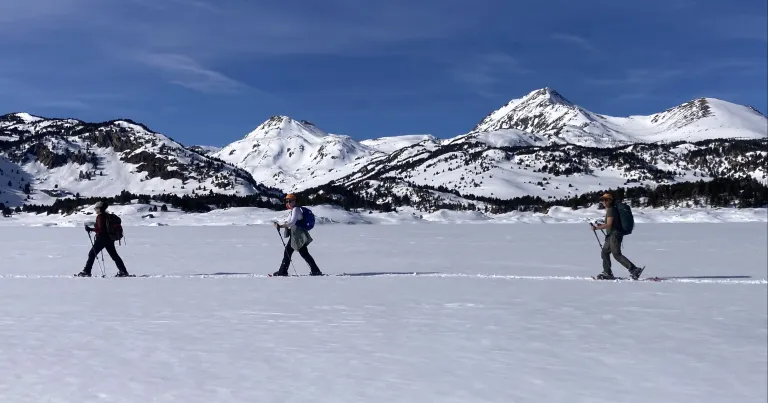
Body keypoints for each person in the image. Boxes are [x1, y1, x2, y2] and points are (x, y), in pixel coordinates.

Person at [591, 193, 643, 280]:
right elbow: (610, 224)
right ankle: (607, 272)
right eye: (602, 200)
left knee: (616, 254)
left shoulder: (611, 210)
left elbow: (609, 224)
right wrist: (600, 226)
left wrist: (597, 227)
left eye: (605, 200)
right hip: (611, 235)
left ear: (610, 200)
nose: (603, 202)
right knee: (604, 252)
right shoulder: (610, 210)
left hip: (615, 235)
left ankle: (634, 269)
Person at [272, 194, 323, 277]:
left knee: (303, 253)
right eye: (287, 201)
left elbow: (291, 223)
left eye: (290, 201)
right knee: (289, 252)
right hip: (295, 234)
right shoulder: (293, 211)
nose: (288, 203)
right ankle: (283, 271)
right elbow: (287, 221)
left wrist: (280, 226)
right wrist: (279, 224)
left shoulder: (296, 209)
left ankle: (315, 271)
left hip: (298, 235)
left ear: (294, 201)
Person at [76, 201, 131, 277]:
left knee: (92, 254)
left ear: (99, 208)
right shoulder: (107, 216)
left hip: (102, 238)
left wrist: (91, 229)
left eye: (96, 208)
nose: (95, 209)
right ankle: (123, 271)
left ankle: (87, 271)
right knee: (114, 256)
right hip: (110, 238)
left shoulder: (100, 216)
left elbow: (101, 229)